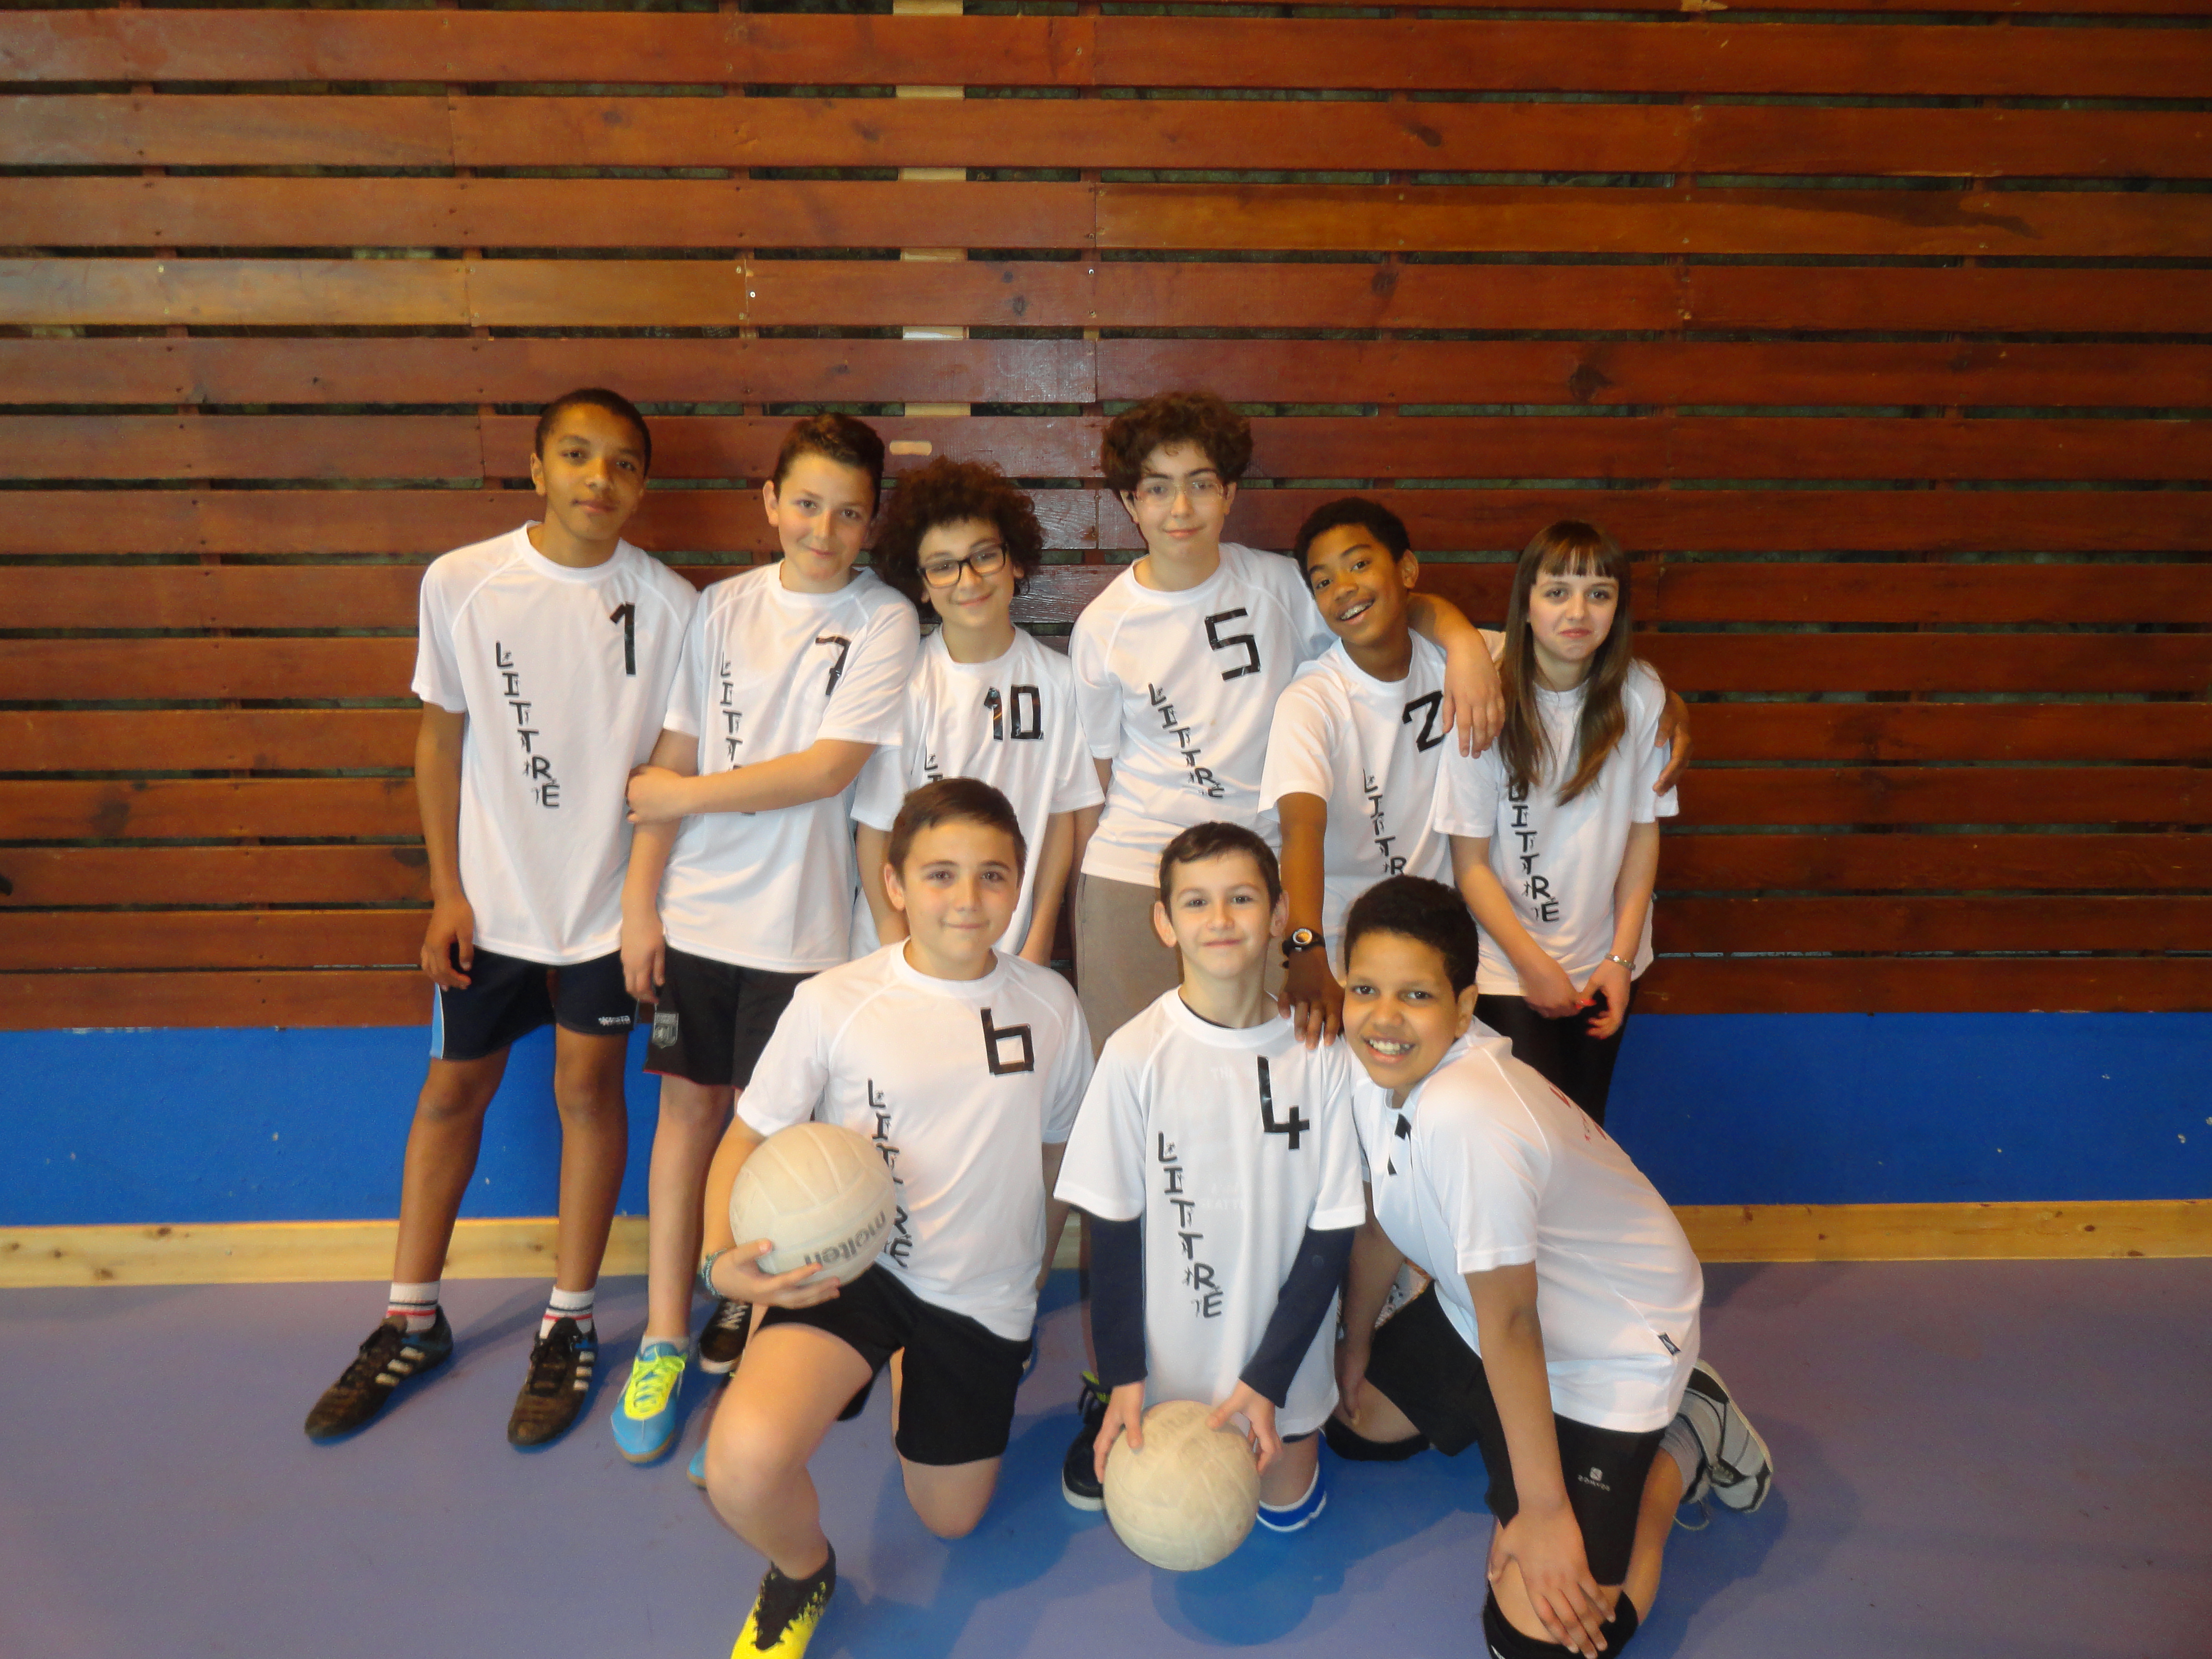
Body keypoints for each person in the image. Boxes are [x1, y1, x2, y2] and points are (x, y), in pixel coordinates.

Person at [1061, 392, 1503, 1500]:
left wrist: (1462, 641)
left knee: (1280, 1129)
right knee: (1140, 1134)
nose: (1180, 506)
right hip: (1136, 882)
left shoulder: (1273, 584)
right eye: (1156, 486)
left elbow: (1389, 609)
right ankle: (1113, 1375)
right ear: (1127, 502)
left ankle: (1278, 1348)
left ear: (1231, 491)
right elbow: (1093, 781)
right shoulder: (1104, 623)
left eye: (1201, 482)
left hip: (1260, 890)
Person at [304, 388, 696, 1447]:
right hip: (491, 905)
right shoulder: (464, 584)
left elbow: (672, 768)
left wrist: (639, 907)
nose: (596, 479)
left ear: (641, 487)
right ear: (534, 467)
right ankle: (410, 1314)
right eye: (575, 455)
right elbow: (441, 738)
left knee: (588, 1089)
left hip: (606, 917)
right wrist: (448, 889)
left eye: (620, 464)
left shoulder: (671, 607)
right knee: (451, 1094)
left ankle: (569, 1324)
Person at [695, 780, 1092, 1659]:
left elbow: (1058, 1153)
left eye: (992, 874)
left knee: (949, 1522)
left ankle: (913, 1365)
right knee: (741, 1467)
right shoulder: (836, 1000)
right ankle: (802, 1571)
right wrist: (722, 1265)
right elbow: (744, 1136)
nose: (967, 897)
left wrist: (1022, 1275)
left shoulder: (1051, 1009)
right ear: (894, 882)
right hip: (851, 1267)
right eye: (940, 874)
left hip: (977, 1295)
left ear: (1020, 883)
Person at [1329, 876, 1772, 1659]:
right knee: (1355, 1424)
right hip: (1494, 1315)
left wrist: (1538, 1511)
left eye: (1415, 995)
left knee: (1543, 1639)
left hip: (1612, 1348)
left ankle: (1686, 1436)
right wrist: (1354, 1340)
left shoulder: (1470, 1113)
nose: (1383, 1016)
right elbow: (1382, 1219)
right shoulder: (1370, 1068)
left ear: (1464, 1007)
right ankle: (1538, 1468)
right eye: (1364, 987)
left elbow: (1511, 1318)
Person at [607, 414, 921, 1466]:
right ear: (769, 500)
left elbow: (828, 770)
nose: (822, 528)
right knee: (687, 1116)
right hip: (697, 919)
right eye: (805, 502)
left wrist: (683, 794)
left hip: (804, 934)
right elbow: (672, 756)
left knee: (780, 1137)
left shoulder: (885, 624)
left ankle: (763, 1329)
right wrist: (639, 903)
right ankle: (665, 1327)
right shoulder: (718, 609)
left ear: (870, 523)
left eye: (846, 511)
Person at [1263, 497, 1692, 1051]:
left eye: (1360, 564)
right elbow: (1301, 832)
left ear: (1408, 570)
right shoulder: (1311, 701)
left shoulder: (1468, 660)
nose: (1343, 586)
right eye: (1323, 581)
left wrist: (1671, 705)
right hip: (1350, 946)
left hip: (1448, 943)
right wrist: (1305, 949)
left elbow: (1582, 662)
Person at [1054, 822, 1364, 1527]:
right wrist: (1125, 1376)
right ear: (1164, 923)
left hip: (1281, 1367)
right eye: (1195, 903)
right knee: (1180, 1514)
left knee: (1282, 1509)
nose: (1220, 920)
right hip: (1172, 1374)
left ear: (1280, 915)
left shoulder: (1320, 1057)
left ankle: (1287, 1417)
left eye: (1242, 899)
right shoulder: (1136, 1056)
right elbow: (1114, 1232)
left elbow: (1332, 1235)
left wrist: (1269, 1378)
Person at [1433, 520, 1673, 1125]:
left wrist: (1619, 962)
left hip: (1605, 959)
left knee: (1586, 1132)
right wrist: (1531, 965)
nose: (1579, 611)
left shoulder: (1641, 694)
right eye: (1558, 591)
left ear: (1618, 609)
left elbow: (1643, 836)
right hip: (1508, 962)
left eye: (1599, 594)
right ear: (1527, 603)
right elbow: (1471, 865)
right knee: (1532, 1134)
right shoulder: (1487, 698)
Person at [851, 455, 1102, 965]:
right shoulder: (905, 683)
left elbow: (1062, 818)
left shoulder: (1059, 681)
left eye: (984, 555)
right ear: (921, 584)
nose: (968, 580)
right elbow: (875, 829)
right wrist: (894, 942)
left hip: (1008, 951)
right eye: (943, 566)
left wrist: (1039, 937)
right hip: (901, 949)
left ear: (1015, 560)